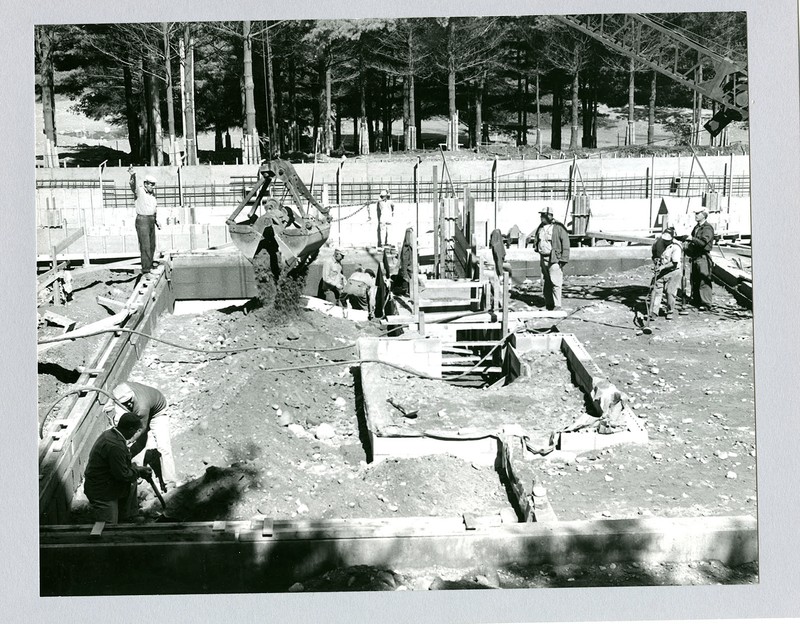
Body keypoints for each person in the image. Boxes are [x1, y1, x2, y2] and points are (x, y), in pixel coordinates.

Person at [104, 381, 176, 489]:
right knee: (140, 443)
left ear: (132, 395)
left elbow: (141, 429)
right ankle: (137, 472)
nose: (128, 404)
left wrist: (127, 441)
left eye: (129, 401)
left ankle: (170, 482)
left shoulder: (142, 407)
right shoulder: (122, 389)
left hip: (158, 412)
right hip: (147, 406)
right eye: (124, 403)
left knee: (163, 446)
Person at [83, 412, 152, 524]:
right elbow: (122, 475)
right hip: (101, 492)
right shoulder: (115, 446)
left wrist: (139, 469)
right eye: (136, 431)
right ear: (130, 429)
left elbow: (122, 467)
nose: (136, 434)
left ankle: (127, 516)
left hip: (107, 483)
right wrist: (138, 472)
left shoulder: (111, 434)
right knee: (108, 528)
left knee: (132, 481)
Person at [530, 206, 571, 310]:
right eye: (541, 215)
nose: (541, 217)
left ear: (549, 216)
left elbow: (566, 244)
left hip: (554, 259)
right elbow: (537, 240)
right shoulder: (540, 227)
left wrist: (563, 259)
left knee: (555, 282)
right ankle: (549, 304)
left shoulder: (558, 227)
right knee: (546, 282)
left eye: (543, 215)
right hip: (543, 259)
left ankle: (557, 305)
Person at [128, 166, 161, 275]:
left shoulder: (152, 195)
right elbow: (133, 185)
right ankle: (146, 269)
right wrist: (133, 175)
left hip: (151, 220)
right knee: (145, 245)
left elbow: (154, 208)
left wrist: (156, 221)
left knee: (152, 245)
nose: (153, 186)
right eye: (151, 184)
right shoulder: (140, 191)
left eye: (153, 184)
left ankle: (150, 265)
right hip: (142, 220)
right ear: (146, 184)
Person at [683, 208, 715, 311]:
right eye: (695, 213)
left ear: (704, 215)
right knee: (695, 279)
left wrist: (691, 239)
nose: (695, 215)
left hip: (703, 257)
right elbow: (693, 242)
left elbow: (703, 243)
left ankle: (706, 303)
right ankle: (696, 300)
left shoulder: (707, 228)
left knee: (704, 280)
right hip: (696, 257)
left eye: (698, 213)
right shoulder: (697, 227)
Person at [649, 227, 683, 320]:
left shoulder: (676, 246)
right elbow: (654, 252)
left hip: (673, 271)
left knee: (669, 292)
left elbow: (674, 263)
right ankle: (653, 312)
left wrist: (662, 267)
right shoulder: (658, 241)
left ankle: (670, 311)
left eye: (668, 240)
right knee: (656, 290)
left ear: (672, 238)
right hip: (661, 269)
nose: (665, 242)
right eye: (664, 240)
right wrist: (655, 260)